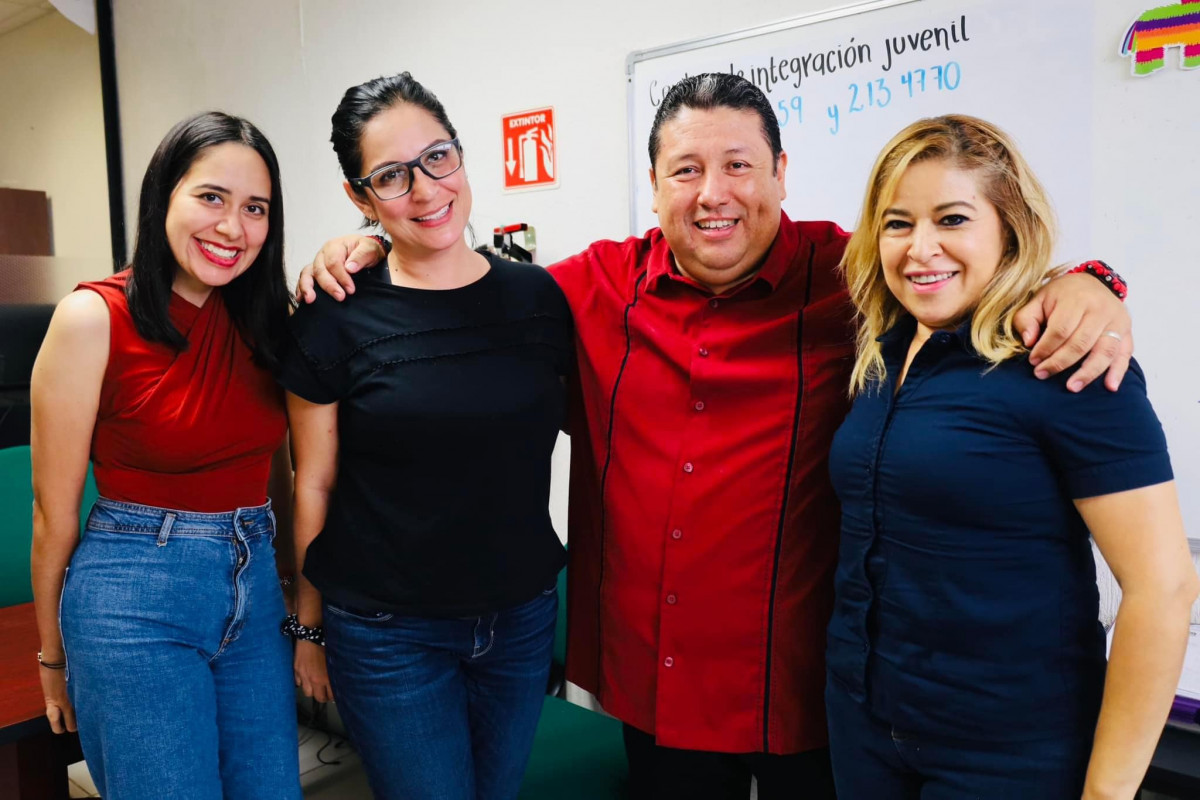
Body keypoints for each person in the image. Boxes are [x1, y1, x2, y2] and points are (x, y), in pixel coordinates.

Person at [299, 74, 1134, 800]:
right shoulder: (585, 288)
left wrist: (1087, 282)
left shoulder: (856, 279)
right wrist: (370, 244)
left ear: (781, 173)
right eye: (686, 170)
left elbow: (967, 265)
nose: (713, 194)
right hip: (661, 687)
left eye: (738, 165)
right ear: (654, 185)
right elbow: (458, 297)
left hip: (812, 684)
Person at [827, 114, 1196, 799]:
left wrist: (1108, 793)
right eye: (898, 223)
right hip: (864, 726)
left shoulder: (1067, 360)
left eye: (953, 219)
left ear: (1010, 229)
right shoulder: (880, 352)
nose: (921, 248)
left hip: (1008, 750)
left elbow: (1164, 589)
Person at [280, 73, 573, 800]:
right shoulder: (333, 314)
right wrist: (309, 627)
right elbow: (313, 481)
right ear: (360, 196)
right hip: (388, 633)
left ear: (460, 154)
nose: (425, 188)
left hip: (520, 619)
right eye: (391, 175)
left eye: (437, 157)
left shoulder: (537, 298)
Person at [30, 112, 300, 799]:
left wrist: (297, 594)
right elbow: (52, 517)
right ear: (163, 196)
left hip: (256, 587)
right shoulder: (92, 318)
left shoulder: (269, 320)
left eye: (255, 208)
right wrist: (53, 659)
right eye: (211, 197)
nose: (232, 227)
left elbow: (280, 472)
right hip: (133, 594)